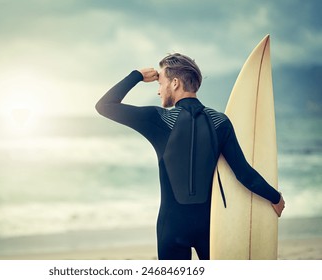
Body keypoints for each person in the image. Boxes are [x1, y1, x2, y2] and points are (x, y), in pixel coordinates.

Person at [95, 53, 285, 260]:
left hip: (172, 228)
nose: (158, 91)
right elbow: (244, 173)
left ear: (175, 83)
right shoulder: (220, 122)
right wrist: (275, 198)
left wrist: (137, 75)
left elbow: (104, 106)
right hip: (210, 227)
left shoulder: (158, 119)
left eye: (161, 83)